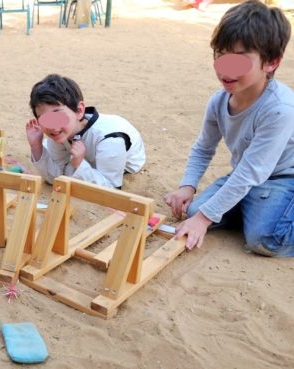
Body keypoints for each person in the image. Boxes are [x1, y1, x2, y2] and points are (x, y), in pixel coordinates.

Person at [165, 0, 294, 257]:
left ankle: (260, 212)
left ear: (271, 62)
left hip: (283, 179)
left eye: (239, 59)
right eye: (220, 54)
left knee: (264, 239)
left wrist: (204, 218)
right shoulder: (219, 101)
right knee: (193, 210)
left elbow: (250, 172)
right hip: (248, 176)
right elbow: (203, 148)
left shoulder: (280, 108)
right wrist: (187, 186)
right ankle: (250, 208)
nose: (224, 67)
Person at [25, 74, 146, 189]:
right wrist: (36, 147)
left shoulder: (110, 138)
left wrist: (79, 163)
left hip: (124, 165)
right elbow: (56, 178)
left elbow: (111, 188)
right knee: (68, 170)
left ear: (79, 111)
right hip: (85, 155)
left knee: (73, 170)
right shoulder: (59, 132)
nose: (51, 126)